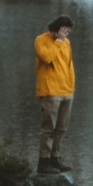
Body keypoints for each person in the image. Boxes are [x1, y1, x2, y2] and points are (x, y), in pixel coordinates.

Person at [34, 11, 76, 174]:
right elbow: (47, 58)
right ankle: (43, 162)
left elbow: (68, 65)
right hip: (51, 91)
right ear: (58, 29)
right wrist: (58, 41)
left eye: (68, 32)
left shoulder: (66, 43)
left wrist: (71, 86)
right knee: (48, 128)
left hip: (66, 91)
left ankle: (55, 158)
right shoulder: (41, 40)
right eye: (65, 31)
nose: (67, 35)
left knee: (61, 128)